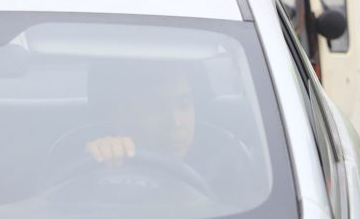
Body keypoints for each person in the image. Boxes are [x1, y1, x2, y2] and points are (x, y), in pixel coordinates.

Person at [48, 60, 257, 203]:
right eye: (155, 108)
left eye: (184, 104)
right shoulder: (80, 161)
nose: (175, 122)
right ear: (117, 115)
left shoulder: (228, 163)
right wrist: (98, 168)